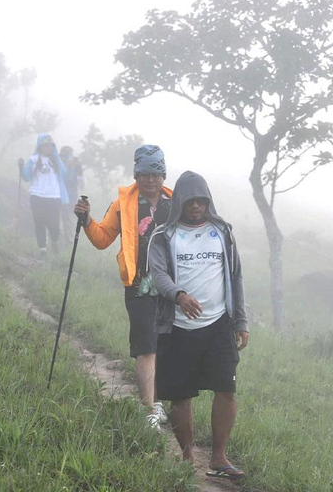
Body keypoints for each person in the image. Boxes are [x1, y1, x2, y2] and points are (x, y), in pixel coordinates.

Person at [148, 170, 249, 480]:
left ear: (208, 202)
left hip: (218, 325)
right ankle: (187, 456)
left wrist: (241, 320)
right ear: (179, 201)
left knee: (226, 389)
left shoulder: (223, 232)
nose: (196, 206)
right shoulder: (163, 235)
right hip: (177, 327)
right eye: (190, 201)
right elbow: (158, 275)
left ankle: (219, 458)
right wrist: (179, 296)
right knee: (181, 395)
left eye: (201, 201)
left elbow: (235, 276)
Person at [73, 145, 171, 428]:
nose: (149, 179)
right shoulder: (123, 204)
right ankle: (149, 410)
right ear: (136, 174)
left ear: (163, 175)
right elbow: (103, 238)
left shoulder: (176, 203)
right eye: (144, 174)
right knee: (146, 346)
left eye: (155, 174)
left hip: (171, 288)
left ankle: (158, 401)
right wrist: (87, 220)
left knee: (165, 346)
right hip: (139, 286)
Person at [19, 134, 69, 256]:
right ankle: (42, 248)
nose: (47, 148)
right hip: (37, 195)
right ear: (40, 146)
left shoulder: (56, 160)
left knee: (54, 223)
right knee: (39, 221)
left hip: (54, 196)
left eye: (50, 145)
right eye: (45, 145)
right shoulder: (33, 159)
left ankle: (54, 240)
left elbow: (64, 174)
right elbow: (26, 177)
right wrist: (21, 167)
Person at [59, 146, 85, 240]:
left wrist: (79, 169)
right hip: (61, 194)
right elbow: (82, 184)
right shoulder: (57, 163)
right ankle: (61, 239)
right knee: (62, 217)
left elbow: (81, 184)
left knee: (67, 216)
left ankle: (67, 239)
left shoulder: (75, 166)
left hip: (68, 195)